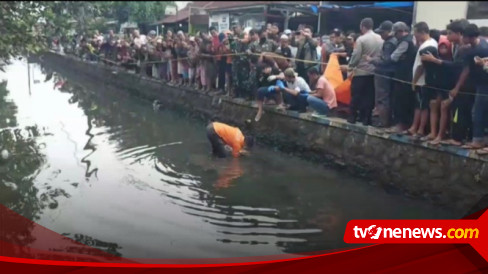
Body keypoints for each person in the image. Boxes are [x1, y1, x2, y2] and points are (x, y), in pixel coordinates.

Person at [420, 19, 470, 146]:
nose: (447, 37)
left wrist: (435, 60)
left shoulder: (465, 48)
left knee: (456, 111)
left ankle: (455, 136)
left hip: (462, 85)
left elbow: (458, 66)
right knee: (443, 106)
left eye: (449, 33)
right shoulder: (455, 46)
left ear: (458, 33)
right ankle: (441, 134)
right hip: (451, 82)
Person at [449, 24, 488, 151]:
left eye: (463, 36)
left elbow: (465, 71)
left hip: (483, 85)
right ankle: (481, 138)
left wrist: (456, 88)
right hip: (479, 84)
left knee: (477, 111)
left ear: (468, 37)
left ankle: (478, 139)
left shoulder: (473, 51)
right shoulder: (483, 44)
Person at [347, 18, 383, 125]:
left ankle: (352, 117)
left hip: (361, 71)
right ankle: (366, 119)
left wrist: (350, 66)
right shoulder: (380, 39)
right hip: (374, 72)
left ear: (362, 26)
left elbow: (356, 55)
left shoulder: (361, 39)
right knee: (369, 97)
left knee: (356, 95)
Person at [384, 22, 417, 134]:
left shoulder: (405, 41)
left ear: (400, 31)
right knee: (405, 101)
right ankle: (403, 124)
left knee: (400, 101)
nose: (395, 37)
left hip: (403, 76)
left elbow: (393, 57)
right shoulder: (411, 39)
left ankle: (400, 125)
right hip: (408, 75)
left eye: (396, 33)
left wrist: (380, 61)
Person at [408, 22, 438, 138]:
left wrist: (414, 81)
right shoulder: (428, 43)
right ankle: (414, 127)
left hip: (422, 81)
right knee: (418, 104)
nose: (414, 35)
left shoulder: (428, 46)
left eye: (415, 33)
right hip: (421, 81)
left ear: (421, 32)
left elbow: (421, 66)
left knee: (422, 105)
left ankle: (419, 129)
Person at [367, 20, 398, 127]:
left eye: (382, 33)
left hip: (383, 74)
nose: (381, 35)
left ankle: (383, 121)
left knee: (382, 98)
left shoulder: (389, 43)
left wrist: (371, 60)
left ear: (389, 31)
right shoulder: (395, 41)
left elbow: (385, 61)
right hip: (390, 74)